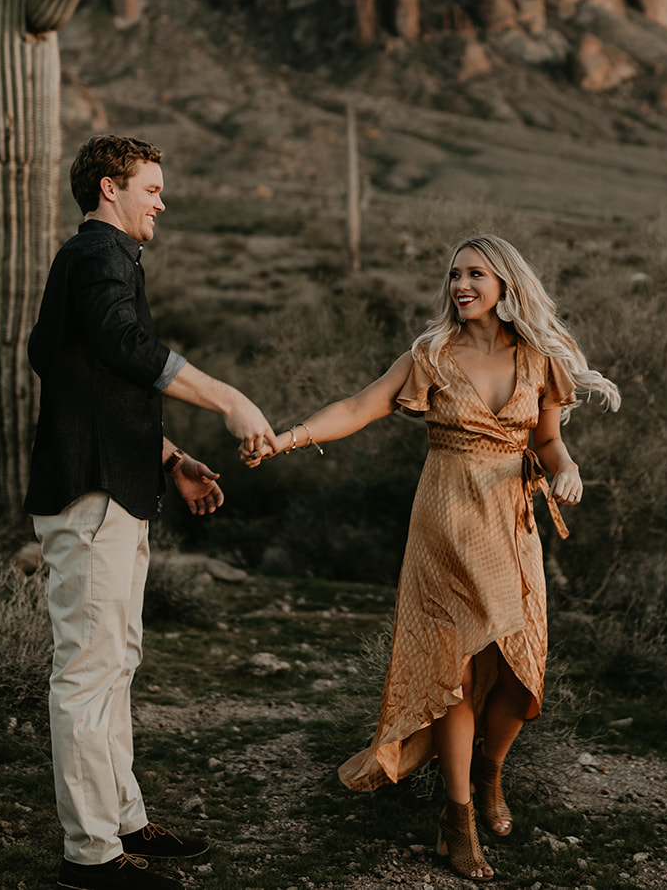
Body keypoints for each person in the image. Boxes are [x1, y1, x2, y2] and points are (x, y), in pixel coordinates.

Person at [246, 234, 619, 882]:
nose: (461, 284)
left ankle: (491, 773)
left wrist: (567, 469)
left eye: (475, 273)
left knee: (518, 672)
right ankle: (459, 816)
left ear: (506, 283)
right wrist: (291, 438)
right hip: (446, 521)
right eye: (454, 274)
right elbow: (362, 405)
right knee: (455, 668)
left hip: (512, 520)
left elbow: (551, 440)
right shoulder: (431, 354)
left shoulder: (538, 358)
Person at [24, 134, 278, 890]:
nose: (162, 201)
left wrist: (169, 456)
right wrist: (230, 398)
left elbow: (81, 375)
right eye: (153, 188)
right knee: (87, 672)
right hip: (92, 497)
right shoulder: (98, 257)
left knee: (116, 664)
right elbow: (127, 347)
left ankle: (123, 819)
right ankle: (91, 857)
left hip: (118, 489)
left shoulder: (95, 263)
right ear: (111, 187)